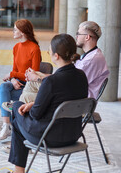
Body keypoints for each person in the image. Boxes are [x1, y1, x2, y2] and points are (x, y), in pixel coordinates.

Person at [8, 34, 88, 173]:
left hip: (49, 136)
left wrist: (32, 106)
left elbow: (36, 115)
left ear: (56, 56)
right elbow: (65, 102)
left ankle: (18, 171)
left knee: (16, 108)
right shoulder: (81, 76)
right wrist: (34, 103)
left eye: (49, 50)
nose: (48, 53)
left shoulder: (51, 81)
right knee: (19, 117)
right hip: (74, 134)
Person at [20, 21, 109, 102]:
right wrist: (38, 74)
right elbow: (63, 77)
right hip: (72, 94)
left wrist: (37, 77)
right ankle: (20, 110)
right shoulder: (93, 55)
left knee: (27, 96)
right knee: (31, 83)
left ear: (87, 37)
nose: (76, 36)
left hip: (74, 101)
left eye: (78, 33)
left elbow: (65, 82)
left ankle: (19, 111)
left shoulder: (91, 60)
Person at [0, 19, 41, 141]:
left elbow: (33, 75)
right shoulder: (16, 47)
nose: (13, 32)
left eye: (15, 29)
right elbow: (15, 69)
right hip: (18, 82)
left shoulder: (34, 48)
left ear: (23, 32)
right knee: (3, 87)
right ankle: (7, 125)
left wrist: (12, 75)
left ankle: (8, 125)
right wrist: (13, 78)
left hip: (29, 87)